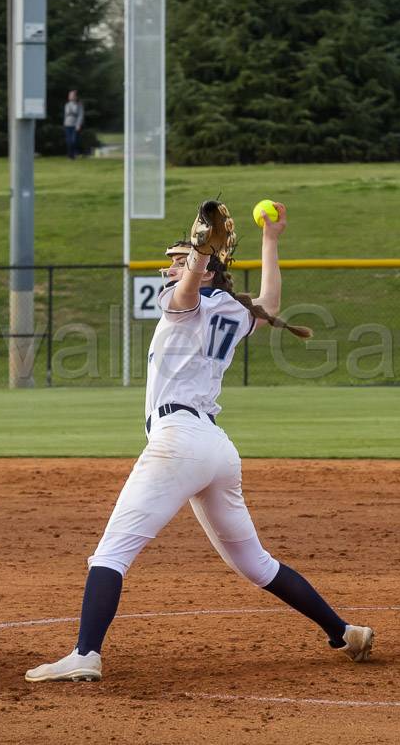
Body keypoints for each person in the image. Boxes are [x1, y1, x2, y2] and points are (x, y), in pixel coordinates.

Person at [24, 201, 375, 683]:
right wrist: (271, 240)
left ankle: (86, 653)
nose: (172, 267)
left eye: (179, 258)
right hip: (215, 447)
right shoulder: (231, 308)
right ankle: (344, 632)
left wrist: (199, 256)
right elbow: (269, 304)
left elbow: (191, 284)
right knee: (255, 563)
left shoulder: (182, 304)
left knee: (111, 553)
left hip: (179, 441)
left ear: (207, 270)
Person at [63, 90, 84, 160]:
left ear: (75, 97)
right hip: (67, 124)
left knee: (74, 141)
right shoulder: (67, 105)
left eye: (72, 95)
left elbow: (80, 115)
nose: (70, 97)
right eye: (70, 95)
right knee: (68, 141)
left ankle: (75, 153)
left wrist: (78, 124)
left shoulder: (79, 105)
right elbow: (66, 114)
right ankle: (70, 156)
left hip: (75, 124)